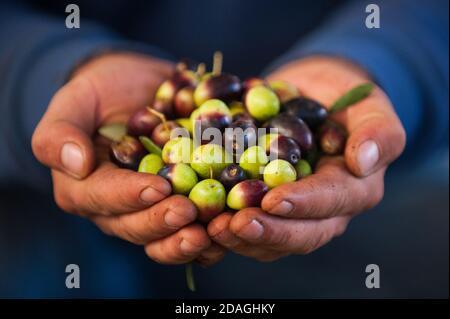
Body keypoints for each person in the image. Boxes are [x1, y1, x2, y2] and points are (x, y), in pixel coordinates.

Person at [0, 0, 448, 297]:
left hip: (396, 160)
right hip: (25, 194)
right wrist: (36, 77)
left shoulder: (259, 137)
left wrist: (388, 64)